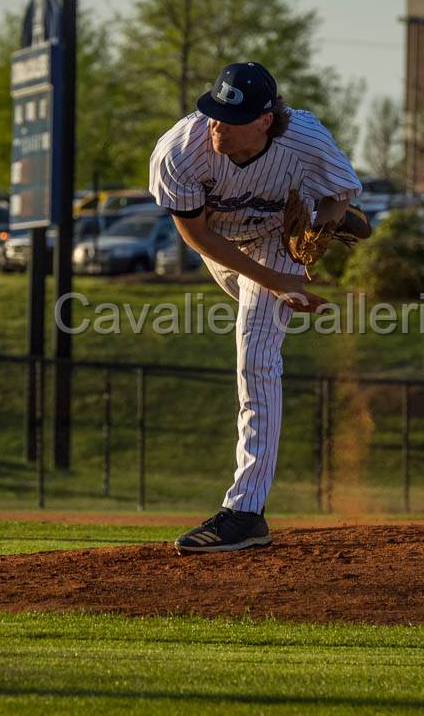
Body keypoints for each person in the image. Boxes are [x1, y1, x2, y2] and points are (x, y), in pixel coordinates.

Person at [149, 61, 365, 553]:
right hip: (221, 248)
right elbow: (197, 234)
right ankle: (305, 222)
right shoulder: (180, 152)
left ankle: (245, 512)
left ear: (266, 119)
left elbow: (342, 188)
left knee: (256, 354)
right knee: (255, 296)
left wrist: (324, 225)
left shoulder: (305, 137)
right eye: (214, 111)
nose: (217, 124)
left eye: (233, 116)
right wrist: (280, 283)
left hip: (272, 238)